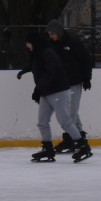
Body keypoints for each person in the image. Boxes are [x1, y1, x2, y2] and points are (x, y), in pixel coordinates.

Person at [18, 31, 91, 162]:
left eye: (28, 43)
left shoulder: (48, 53)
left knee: (65, 121)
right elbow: (38, 67)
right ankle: (48, 149)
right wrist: (26, 70)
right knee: (42, 121)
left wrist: (38, 89)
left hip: (59, 92)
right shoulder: (38, 54)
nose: (27, 45)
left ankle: (83, 145)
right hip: (47, 92)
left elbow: (50, 72)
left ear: (34, 43)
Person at [46, 19, 93, 153]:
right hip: (61, 83)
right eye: (49, 34)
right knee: (71, 112)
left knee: (69, 113)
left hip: (74, 82)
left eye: (52, 34)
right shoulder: (52, 45)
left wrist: (87, 78)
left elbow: (85, 59)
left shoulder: (73, 42)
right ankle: (80, 136)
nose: (51, 37)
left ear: (59, 32)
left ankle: (69, 140)